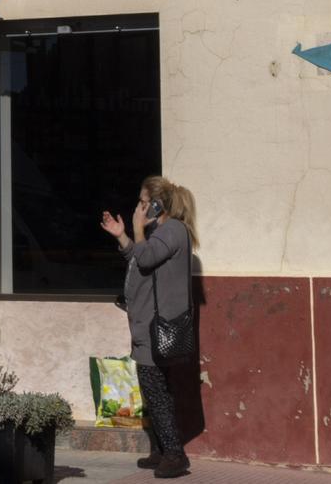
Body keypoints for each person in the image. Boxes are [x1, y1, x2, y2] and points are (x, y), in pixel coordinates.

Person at [100, 174, 198, 479]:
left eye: (144, 203)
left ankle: (175, 455)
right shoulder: (162, 232)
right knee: (155, 390)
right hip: (147, 324)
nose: (139, 208)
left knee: (155, 390)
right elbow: (140, 258)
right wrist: (123, 236)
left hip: (158, 328)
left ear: (158, 205)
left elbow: (146, 258)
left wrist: (138, 230)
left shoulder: (172, 230)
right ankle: (160, 450)